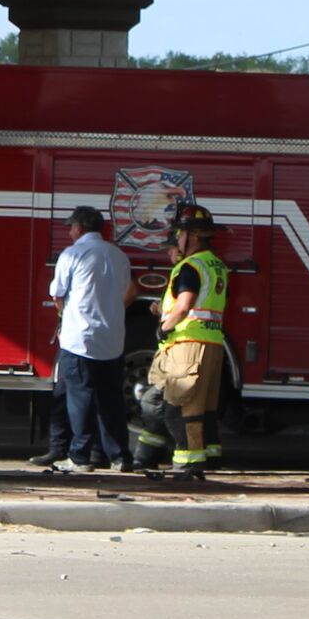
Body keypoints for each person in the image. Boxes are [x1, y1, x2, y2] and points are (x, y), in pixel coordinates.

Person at [38, 206, 132, 471]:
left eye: (71, 227)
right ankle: (120, 456)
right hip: (112, 340)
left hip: (80, 339)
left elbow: (57, 293)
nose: (69, 232)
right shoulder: (118, 255)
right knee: (111, 400)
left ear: (79, 227)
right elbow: (126, 290)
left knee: (80, 398)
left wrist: (63, 313)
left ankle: (80, 457)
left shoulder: (73, 253)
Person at [148, 201, 230, 478]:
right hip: (212, 344)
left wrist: (164, 327)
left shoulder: (190, 266)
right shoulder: (216, 265)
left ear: (192, 236)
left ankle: (188, 464)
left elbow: (185, 305)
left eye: (180, 234)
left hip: (187, 345)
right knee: (205, 408)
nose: (178, 239)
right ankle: (209, 457)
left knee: (180, 407)